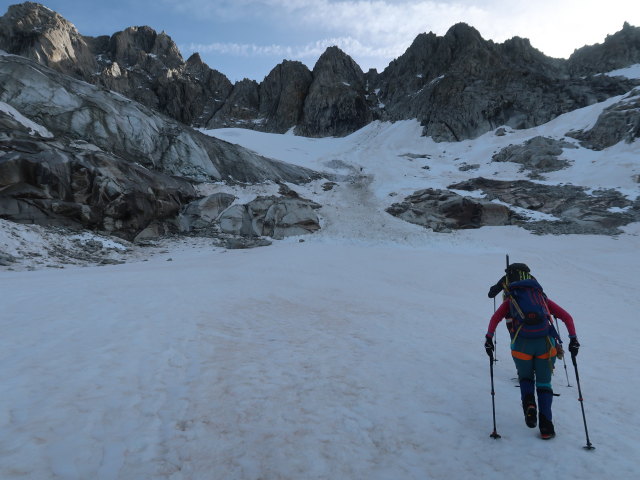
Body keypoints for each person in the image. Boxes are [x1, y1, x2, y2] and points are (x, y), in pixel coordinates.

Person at [484, 264, 580, 439]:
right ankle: (546, 426)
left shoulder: (511, 295)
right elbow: (567, 317)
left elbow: (495, 318)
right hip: (545, 344)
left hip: (521, 345)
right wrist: (573, 339)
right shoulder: (540, 297)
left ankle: (529, 404)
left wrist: (489, 338)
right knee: (544, 383)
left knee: (526, 377)